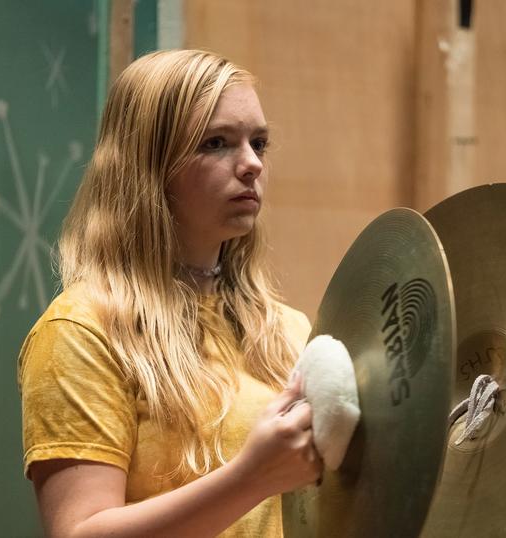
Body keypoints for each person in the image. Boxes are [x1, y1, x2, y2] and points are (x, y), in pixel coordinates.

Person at [18, 49, 322, 537]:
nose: (251, 165)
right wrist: (251, 477)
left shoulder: (286, 329)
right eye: (216, 142)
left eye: (259, 143)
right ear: (148, 164)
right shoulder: (82, 330)